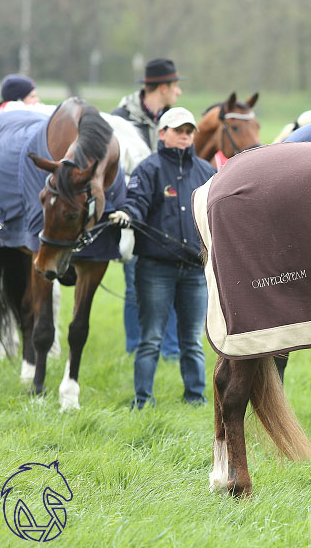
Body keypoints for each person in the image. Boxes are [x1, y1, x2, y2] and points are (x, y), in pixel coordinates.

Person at [109, 107, 216, 408]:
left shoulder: (207, 172)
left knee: (193, 342)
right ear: (163, 133)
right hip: (154, 270)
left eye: (189, 131)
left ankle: (195, 399)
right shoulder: (148, 169)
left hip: (196, 271)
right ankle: (142, 400)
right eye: (178, 130)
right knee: (151, 339)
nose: (185, 136)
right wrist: (127, 215)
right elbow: (136, 202)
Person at [112, 58, 182, 358]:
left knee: (171, 283)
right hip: (135, 209)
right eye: (175, 86)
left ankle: (169, 350)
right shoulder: (121, 119)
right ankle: (134, 347)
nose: (178, 92)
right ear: (163, 87)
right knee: (134, 284)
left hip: (167, 212)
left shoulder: (173, 119)